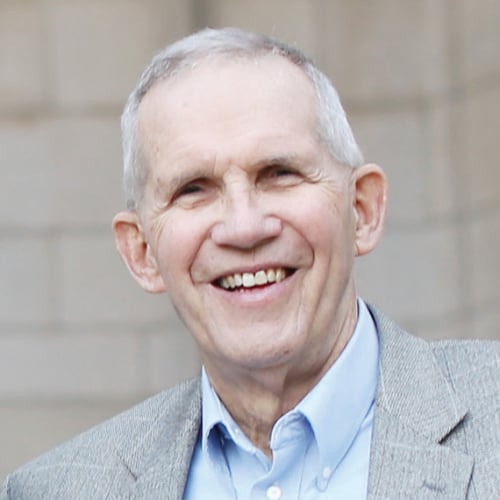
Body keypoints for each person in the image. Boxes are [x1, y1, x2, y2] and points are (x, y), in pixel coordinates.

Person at [2, 27, 499, 500]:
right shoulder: (55, 490)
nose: (244, 227)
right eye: (193, 189)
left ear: (362, 209)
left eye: (279, 173)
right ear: (142, 253)